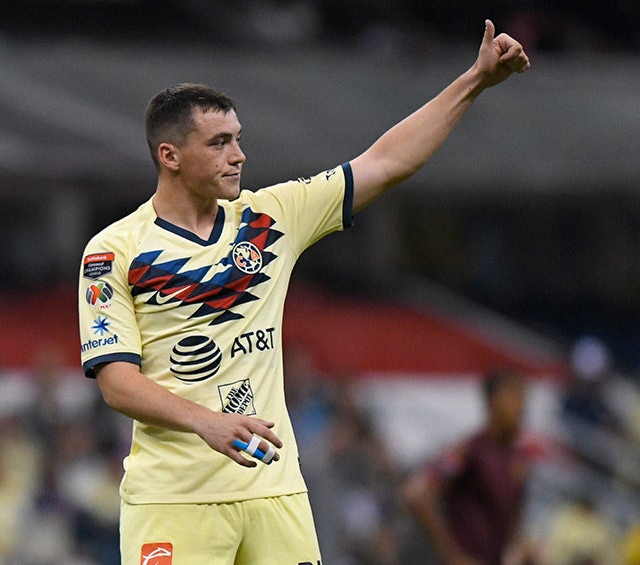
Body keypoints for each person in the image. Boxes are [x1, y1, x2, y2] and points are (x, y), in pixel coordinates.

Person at [77, 20, 530, 564]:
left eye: (238, 139)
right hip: (174, 498)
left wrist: (475, 82)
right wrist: (206, 421)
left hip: (274, 491)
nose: (238, 155)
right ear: (170, 156)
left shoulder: (272, 217)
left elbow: (387, 162)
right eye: (219, 143)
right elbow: (116, 384)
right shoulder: (113, 252)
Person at [402, 372, 532, 565]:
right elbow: (417, 494)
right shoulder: (468, 452)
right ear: (492, 400)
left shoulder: (518, 460)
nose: (522, 405)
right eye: (514, 395)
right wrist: (454, 556)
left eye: (524, 397)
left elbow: (510, 523)